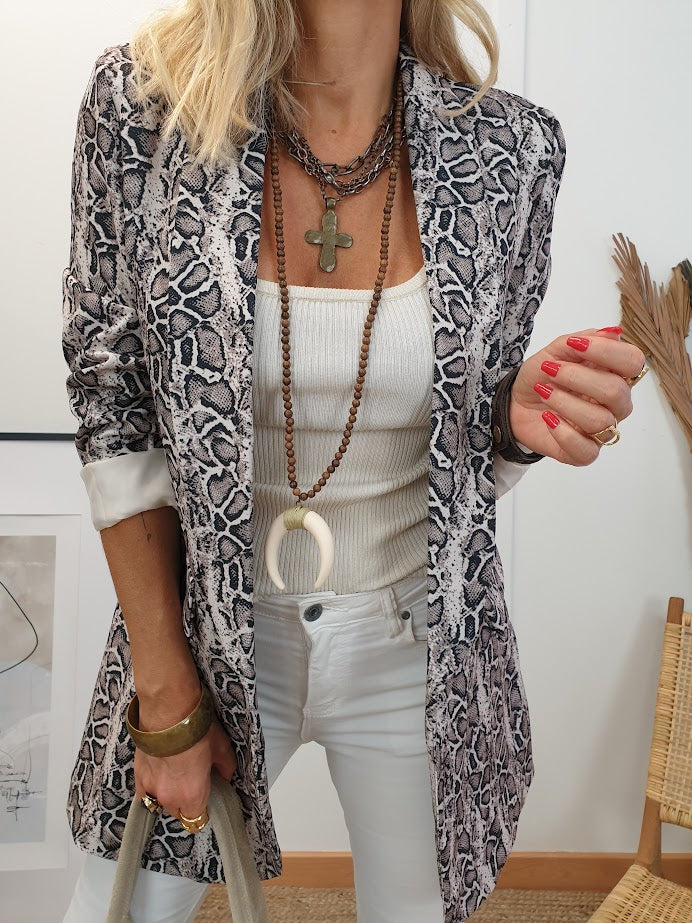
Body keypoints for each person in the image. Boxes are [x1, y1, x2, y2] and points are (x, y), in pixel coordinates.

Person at [60, 1, 647, 921]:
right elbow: (113, 402)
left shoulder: (511, 152)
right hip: (209, 632)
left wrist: (510, 418)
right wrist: (165, 689)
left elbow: (467, 452)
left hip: (416, 645)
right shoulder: (145, 111)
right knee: (119, 909)